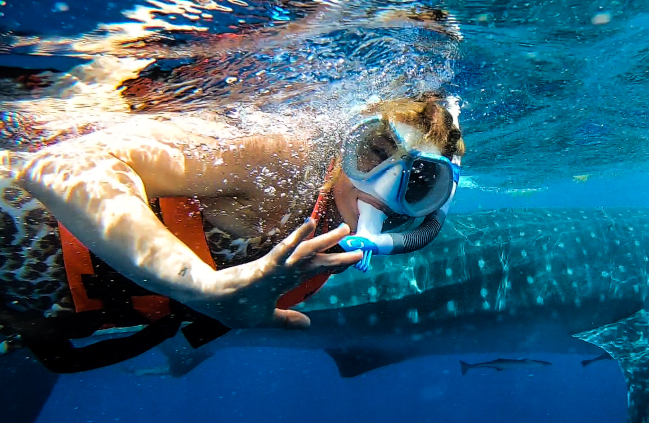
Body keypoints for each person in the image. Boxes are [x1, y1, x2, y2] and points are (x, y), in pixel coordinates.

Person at [1, 78, 465, 371]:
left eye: (419, 181)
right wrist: (201, 286)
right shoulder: (281, 161)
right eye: (374, 151)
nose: (378, 189)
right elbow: (58, 164)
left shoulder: (365, 237)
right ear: (346, 142)